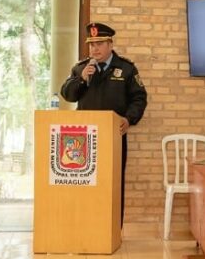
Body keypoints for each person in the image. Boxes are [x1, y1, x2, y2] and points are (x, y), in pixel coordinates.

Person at [61, 22, 148, 226]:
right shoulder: (81, 68)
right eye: (92, 45)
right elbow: (68, 95)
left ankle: (112, 227)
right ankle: (85, 224)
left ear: (110, 44)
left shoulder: (126, 69)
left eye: (99, 43)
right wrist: (81, 79)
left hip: (113, 136)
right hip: (84, 139)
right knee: (84, 180)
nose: (95, 49)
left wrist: (128, 119)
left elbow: (139, 98)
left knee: (113, 182)